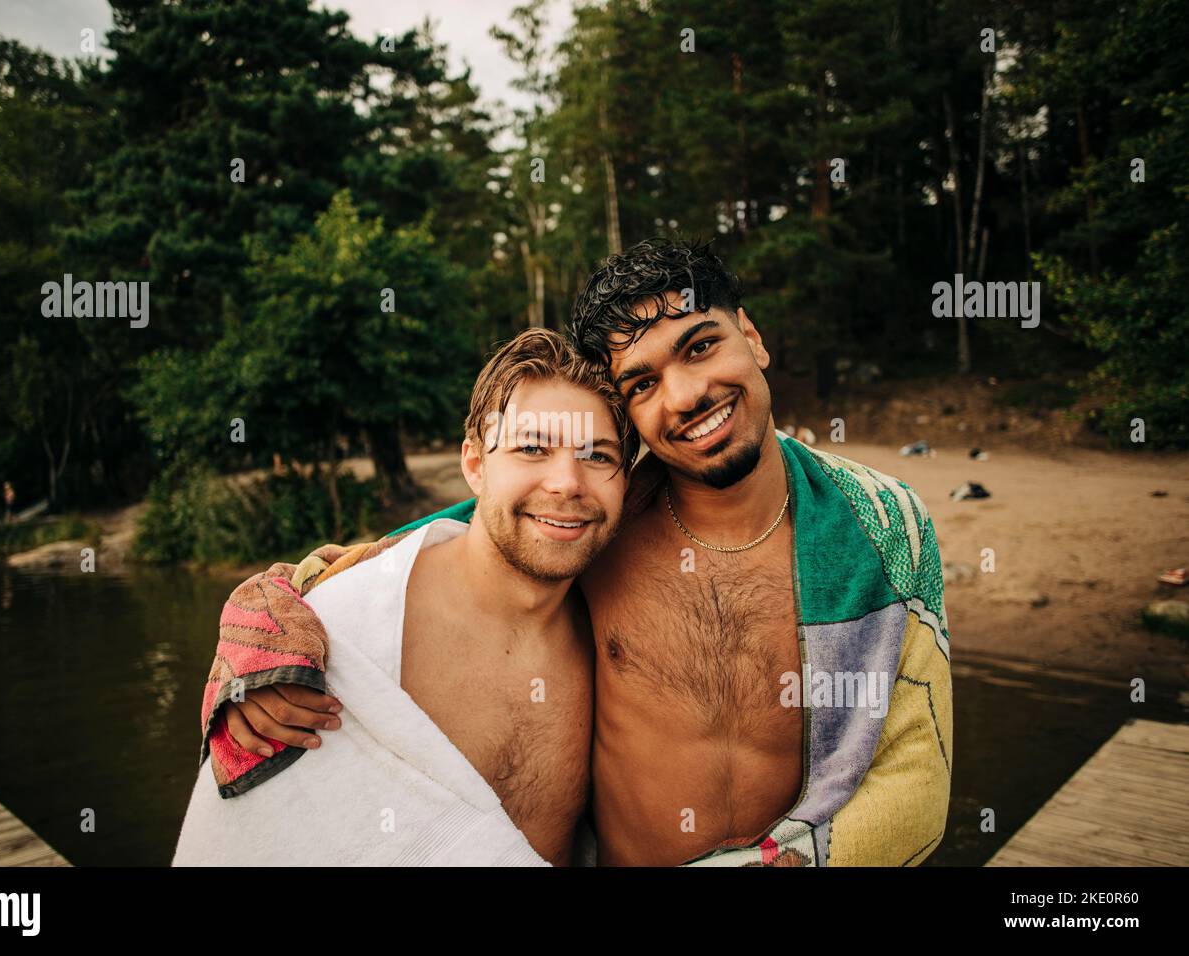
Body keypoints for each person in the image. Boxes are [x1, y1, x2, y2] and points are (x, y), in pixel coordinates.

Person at [198, 239, 953, 867]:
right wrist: (263, 615)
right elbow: (428, 548)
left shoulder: (882, 527)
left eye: (701, 345)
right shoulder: (599, 522)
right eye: (643, 382)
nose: (686, 394)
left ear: (750, 337)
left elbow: (919, 770)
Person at [172, 329, 633, 865]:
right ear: (475, 464)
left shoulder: (617, 628)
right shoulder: (330, 629)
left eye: (597, 455)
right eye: (532, 448)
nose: (566, 483)